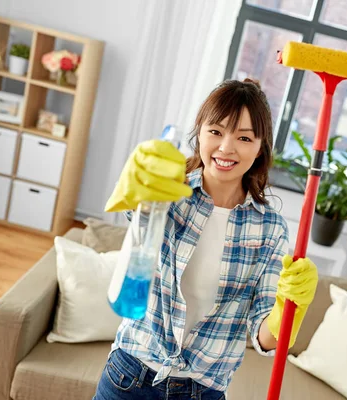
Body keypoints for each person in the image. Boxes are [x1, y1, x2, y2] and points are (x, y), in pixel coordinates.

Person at [94, 79, 318, 400]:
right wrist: (137, 182)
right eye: (215, 131)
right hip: (130, 374)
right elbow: (133, 217)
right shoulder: (169, 192)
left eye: (243, 137)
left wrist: (290, 309)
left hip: (203, 391)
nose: (226, 147)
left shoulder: (270, 229)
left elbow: (265, 338)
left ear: (260, 147)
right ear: (199, 133)